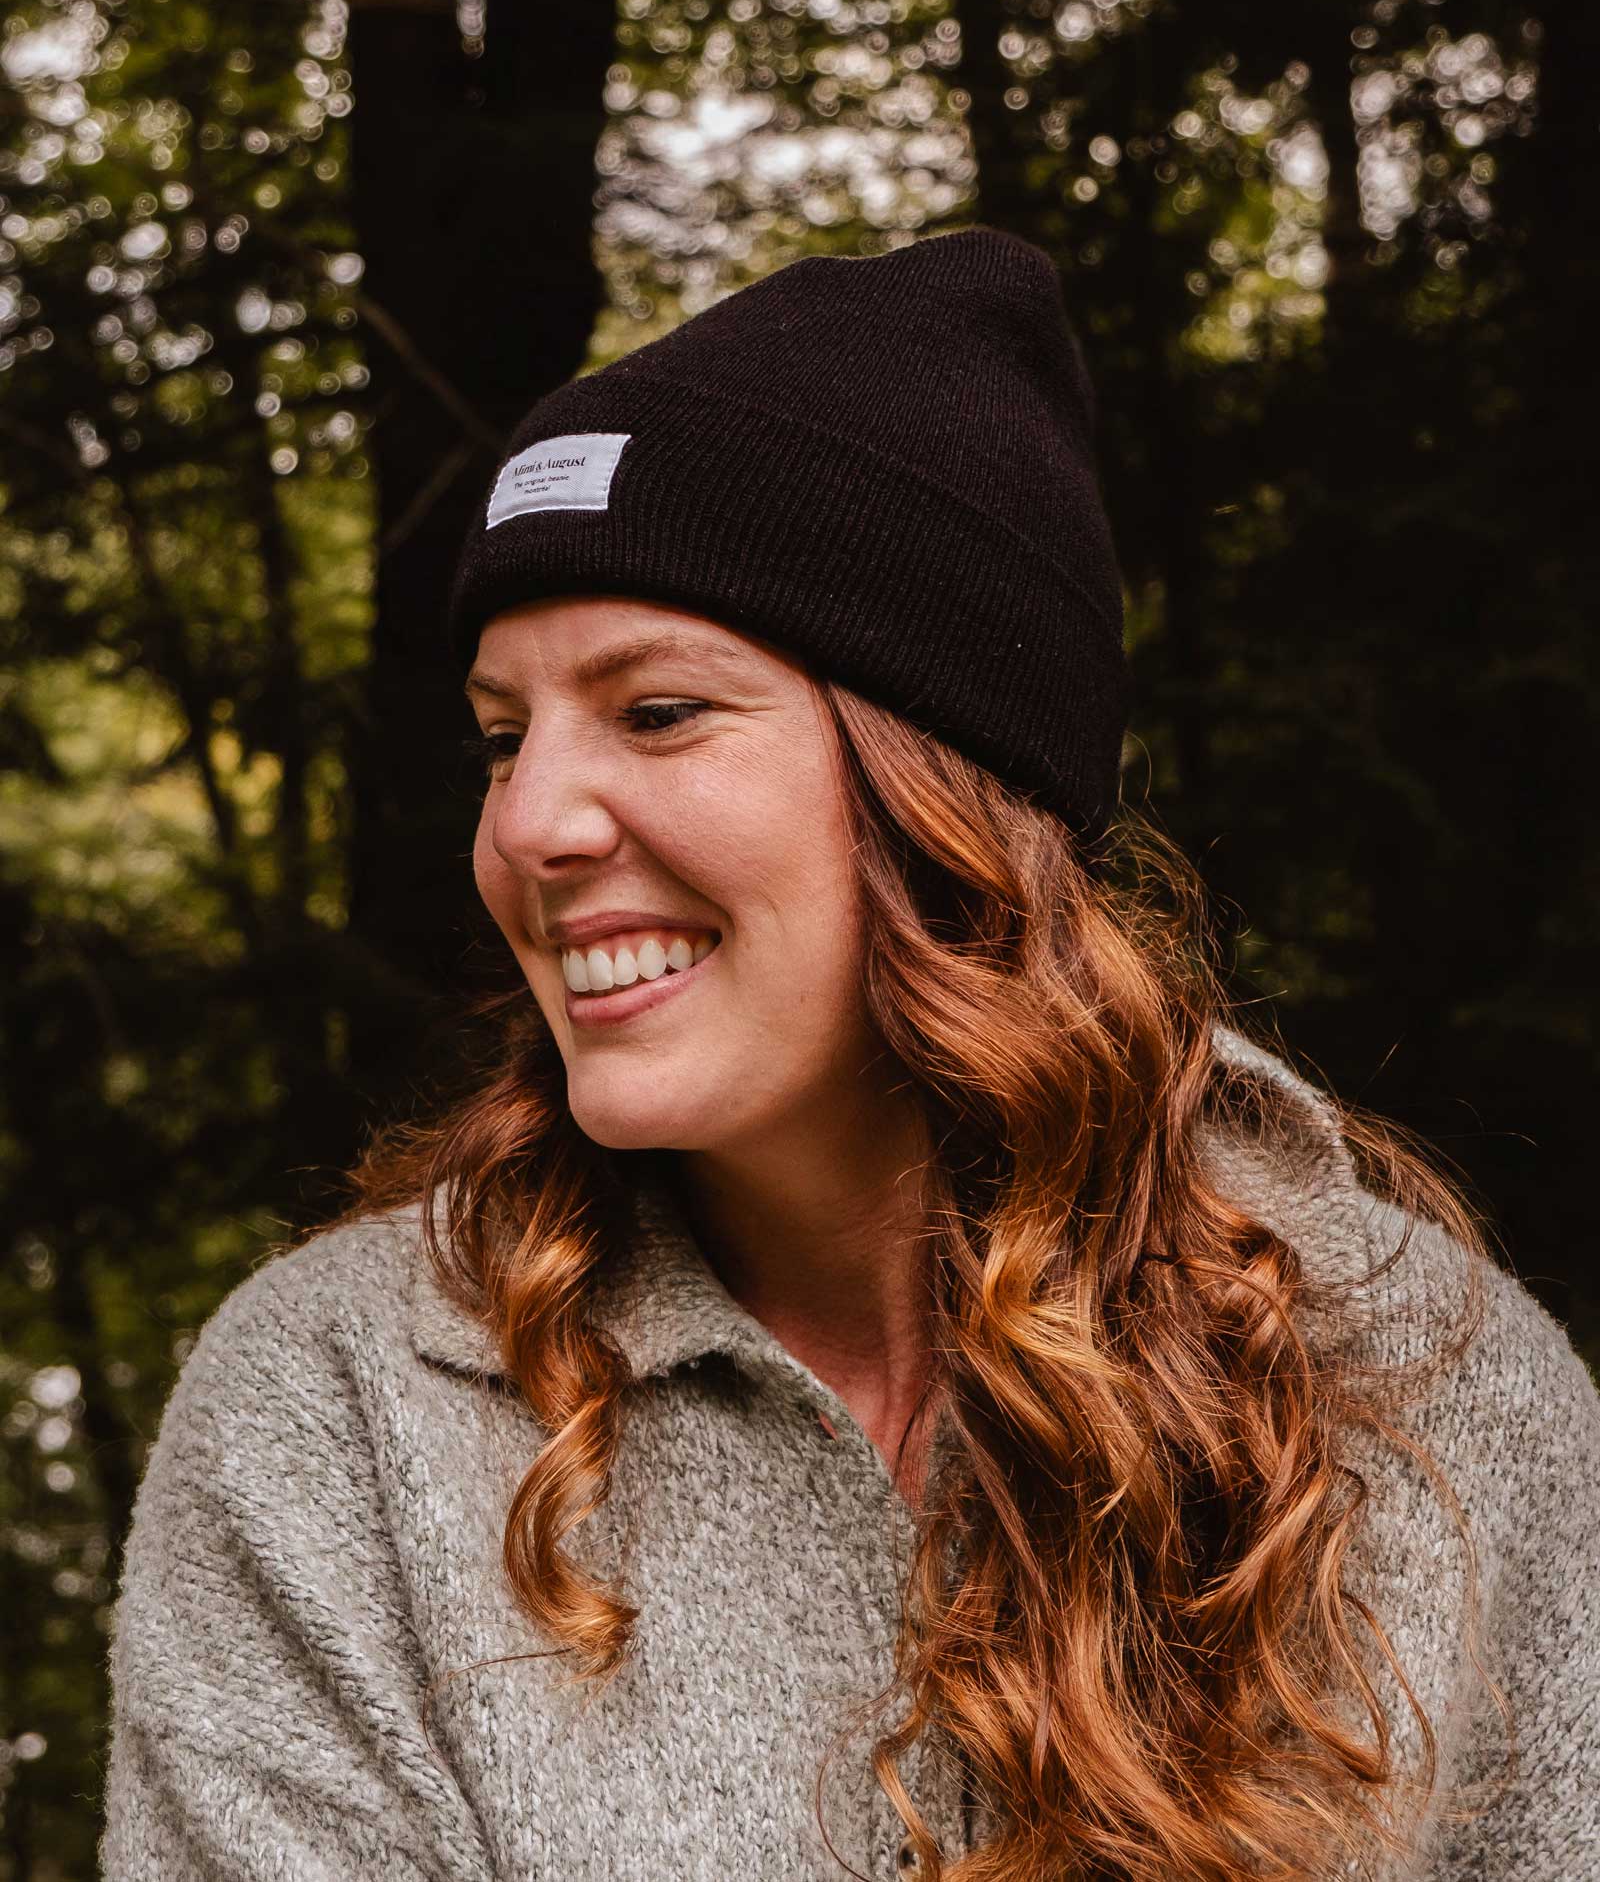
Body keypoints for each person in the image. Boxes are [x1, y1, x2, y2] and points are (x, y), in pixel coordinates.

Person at [100, 227, 1599, 1882]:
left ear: (946, 791)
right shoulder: (344, 1404)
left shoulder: (1434, 1392)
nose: (526, 823)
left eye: (657, 710)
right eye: (501, 737)